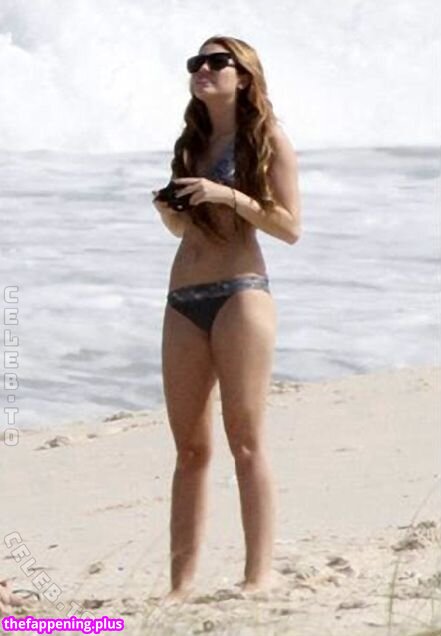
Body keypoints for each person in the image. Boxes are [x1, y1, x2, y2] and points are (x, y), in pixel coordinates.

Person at [152, 35, 301, 602]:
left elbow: (290, 227)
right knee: (190, 449)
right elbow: (185, 231)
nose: (204, 69)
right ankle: (180, 586)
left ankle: (257, 576)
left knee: (245, 440)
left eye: (218, 62)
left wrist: (228, 195)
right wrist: (170, 212)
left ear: (244, 75)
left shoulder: (268, 139)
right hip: (183, 297)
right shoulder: (191, 144)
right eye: (197, 62)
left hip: (241, 293)